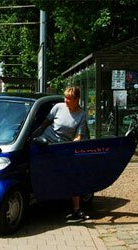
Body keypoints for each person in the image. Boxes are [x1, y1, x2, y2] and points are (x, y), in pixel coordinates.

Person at [38, 86, 89, 220]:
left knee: (72, 175)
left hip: (62, 147)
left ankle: (76, 209)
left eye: (69, 98)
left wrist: (75, 144)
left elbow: (78, 135)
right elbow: (44, 124)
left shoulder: (81, 115)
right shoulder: (58, 107)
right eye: (65, 97)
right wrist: (34, 137)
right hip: (45, 142)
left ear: (77, 99)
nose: (66, 100)